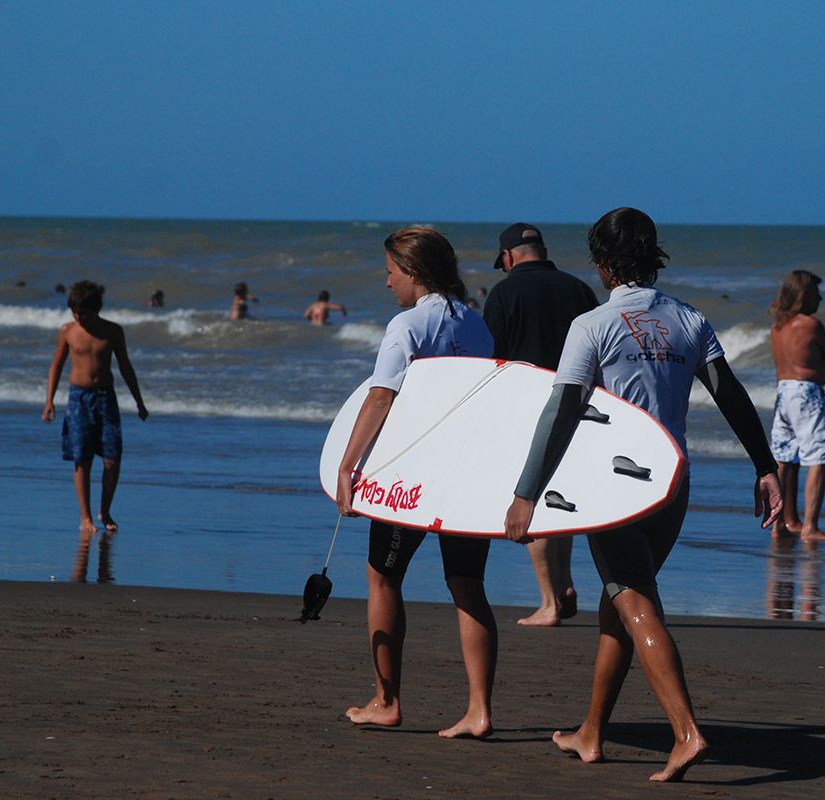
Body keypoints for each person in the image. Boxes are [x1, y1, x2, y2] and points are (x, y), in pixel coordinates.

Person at [503, 208, 782, 782]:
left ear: (602, 264)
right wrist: (765, 467)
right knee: (621, 602)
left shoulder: (593, 325)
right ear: (653, 256)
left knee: (634, 600)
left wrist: (527, 492)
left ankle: (686, 733)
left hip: (613, 487)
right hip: (673, 484)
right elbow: (732, 396)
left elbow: (562, 411)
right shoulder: (689, 319)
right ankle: (591, 732)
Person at [335, 227, 498, 739]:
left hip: (413, 477)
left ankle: (386, 701)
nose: (386, 283)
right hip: (467, 474)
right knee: (467, 583)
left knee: (383, 578)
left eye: (390, 272)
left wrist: (347, 466)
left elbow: (381, 397)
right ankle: (478, 710)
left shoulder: (406, 326)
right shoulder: (477, 324)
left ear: (412, 273)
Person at [482, 222, 598, 627]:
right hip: (578, 406)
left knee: (531, 495)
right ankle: (564, 586)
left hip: (526, 408)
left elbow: (491, 362)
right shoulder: (579, 290)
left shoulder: (503, 293)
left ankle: (549, 601)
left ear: (509, 257)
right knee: (561, 496)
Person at [42, 281, 149, 535]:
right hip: (78, 399)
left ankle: (106, 510)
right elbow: (56, 365)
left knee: (113, 459)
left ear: (96, 309)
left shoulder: (112, 331)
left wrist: (139, 401)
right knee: (83, 459)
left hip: (105, 398)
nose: (79, 318)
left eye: (84, 313)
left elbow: (125, 366)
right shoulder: (68, 331)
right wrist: (49, 400)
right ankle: (86, 517)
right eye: (75, 312)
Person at [768, 270, 825, 542]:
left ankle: (781, 523)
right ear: (804, 295)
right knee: (817, 459)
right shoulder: (811, 324)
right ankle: (810, 526)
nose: (820, 298)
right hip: (806, 392)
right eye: (816, 293)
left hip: (783, 392)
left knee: (785, 458)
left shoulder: (777, 326)